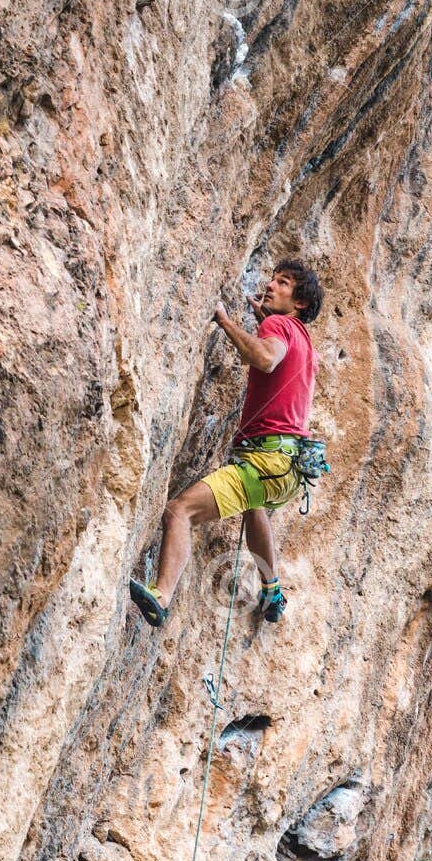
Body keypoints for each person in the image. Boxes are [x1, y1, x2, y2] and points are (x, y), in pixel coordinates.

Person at [129, 257, 322, 627]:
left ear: (299, 302)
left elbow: (265, 359)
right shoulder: (303, 340)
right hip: (287, 469)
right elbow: (278, 360)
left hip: (266, 461)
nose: (270, 285)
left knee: (179, 510)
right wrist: (259, 323)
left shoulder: (277, 325)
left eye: (281, 283)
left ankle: (161, 596)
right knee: (255, 506)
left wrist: (224, 320)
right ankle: (272, 590)